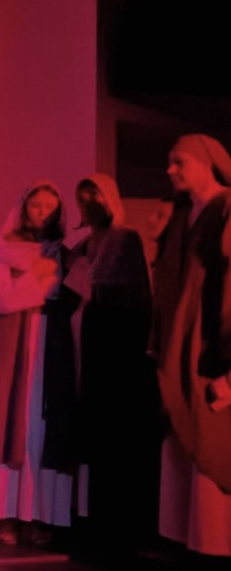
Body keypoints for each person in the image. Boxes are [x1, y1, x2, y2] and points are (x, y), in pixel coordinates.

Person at [0, 181, 73, 546]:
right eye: (37, 205)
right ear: (24, 207)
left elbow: (63, 296)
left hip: (48, 347)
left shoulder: (62, 254)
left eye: (50, 207)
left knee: (40, 431)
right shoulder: (0, 250)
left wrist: (43, 279)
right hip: (14, 347)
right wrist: (36, 279)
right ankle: (10, 516)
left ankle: (40, 516)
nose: (42, 212)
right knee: (13, 423)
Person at [64, 174, 158, 561]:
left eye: (96, 196)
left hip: (116, 356)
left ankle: (116, 533)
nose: (90, 204)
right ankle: (93, 526)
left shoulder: (124, 238)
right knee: (94, 444)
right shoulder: (85, 244)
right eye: (83, 198)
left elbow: (136, 297)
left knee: (114, 443)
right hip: (88, 348)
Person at [151, 134, 231, 561]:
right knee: (183, 465)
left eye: (179, 161)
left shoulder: (227, 208)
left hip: (210, 361)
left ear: (207, 162)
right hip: (179, 360)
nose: (170, 170)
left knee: (212, 463)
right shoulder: (186, 215)